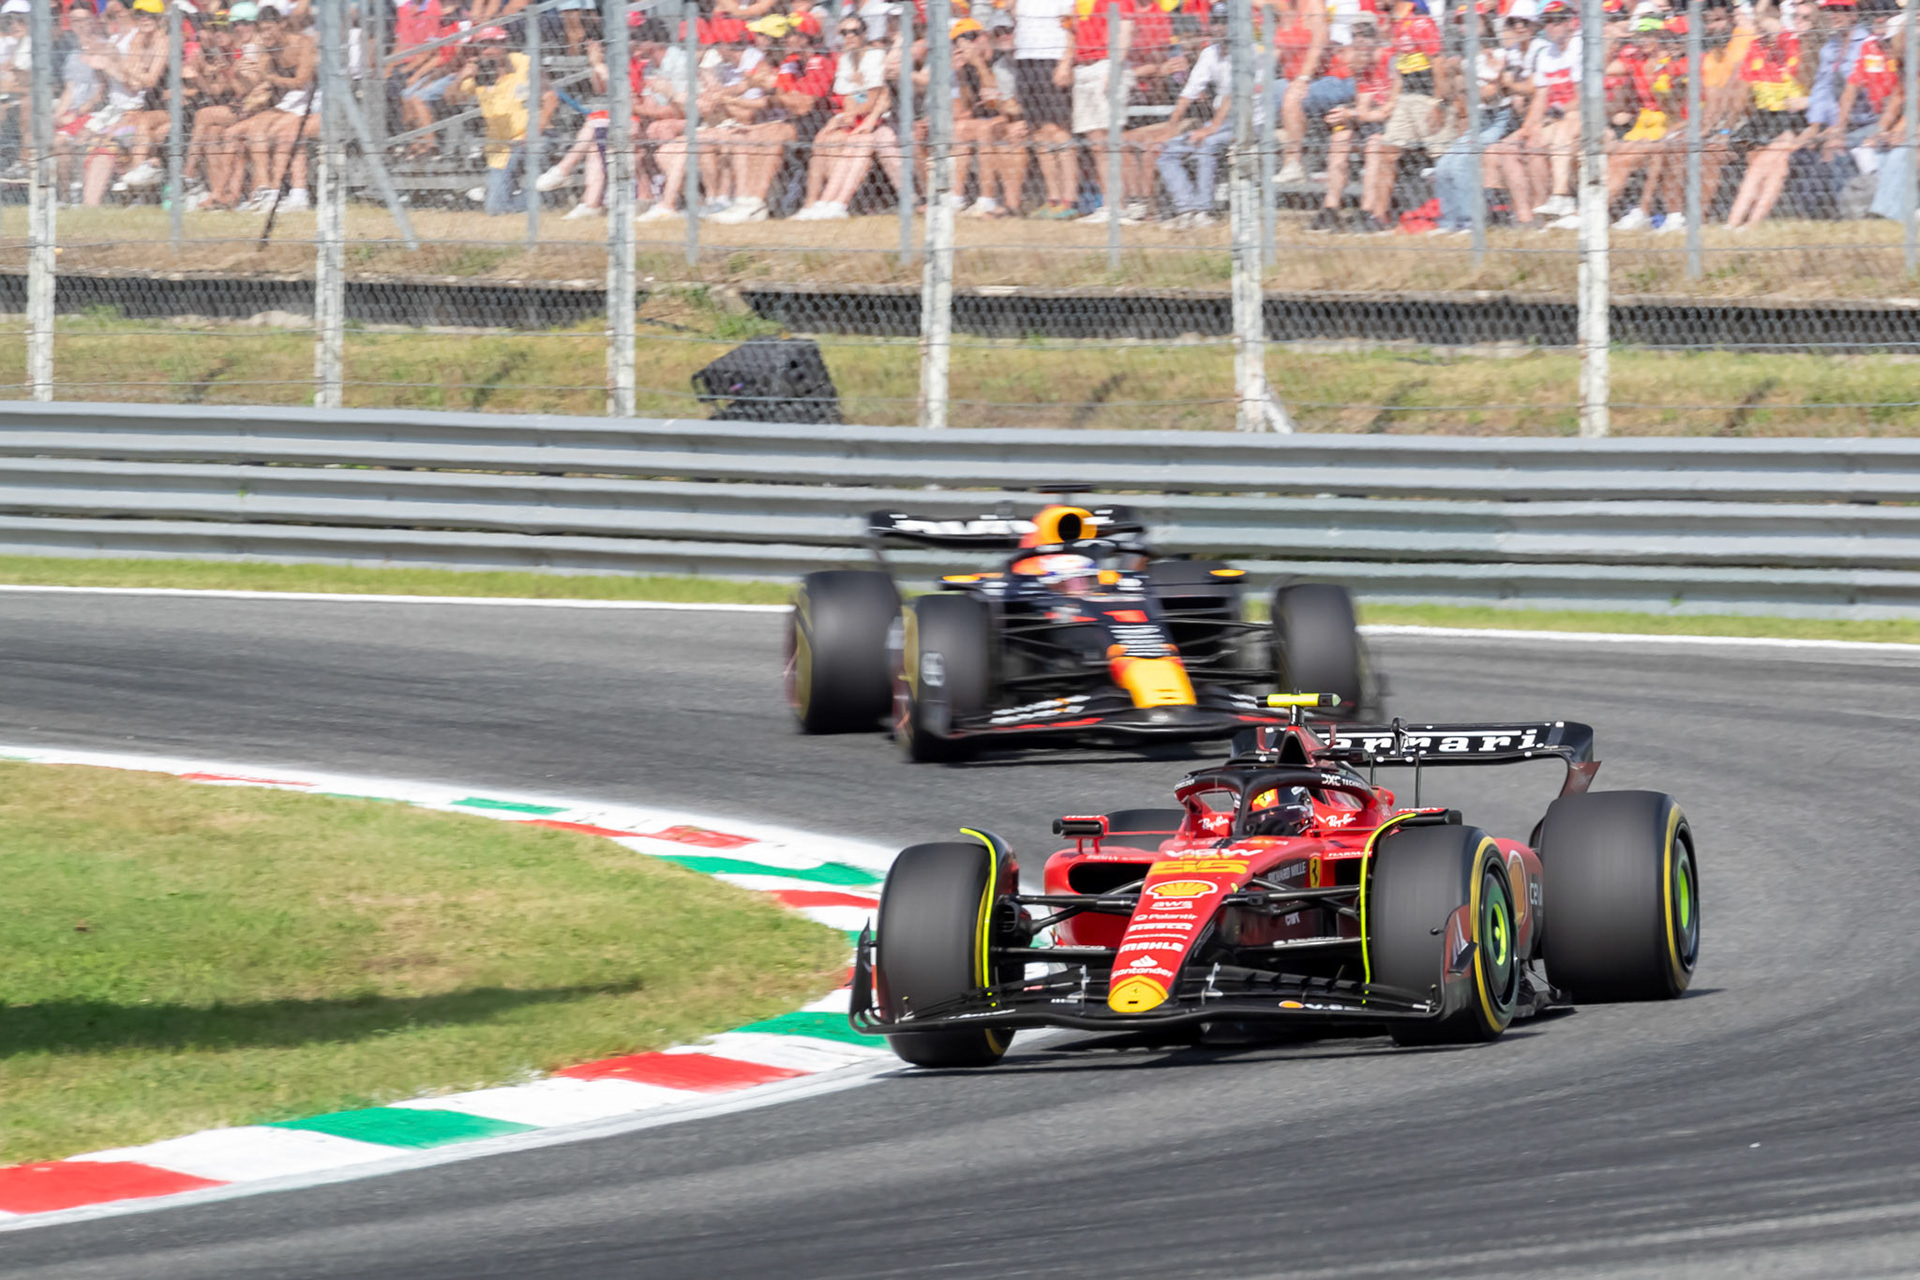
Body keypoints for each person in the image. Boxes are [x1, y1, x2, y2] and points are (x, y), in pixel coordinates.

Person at [1352, 0, 1452, 232]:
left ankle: (1451, 213)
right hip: (1406, 98)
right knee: (1387, 153)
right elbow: (1400, 68)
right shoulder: (1397, 24)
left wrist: (1437, 102)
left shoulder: (1420, 22)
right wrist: (1392, 102)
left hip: (1426, 97)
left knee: (1443, 157)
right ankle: (1378, 217)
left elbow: (1438, 62)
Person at [790, 13, 893, 219]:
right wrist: (856, 97)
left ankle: (835, 202)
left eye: (854, 31)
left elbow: (872, 100)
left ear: (864, 34)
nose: (849, 36)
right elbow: (849, 100)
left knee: (852, 142)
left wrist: (853, 101)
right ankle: (813, 204)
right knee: (823, 140)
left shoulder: (875, 56)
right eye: (844, 32)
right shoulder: (846, 59)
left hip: (875, 121)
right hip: (854, 118)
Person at [447, 24, 554, 215]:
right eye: (482, 46)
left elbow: (550, 97)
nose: (487, 51)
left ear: (504, 44)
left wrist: (535, 131)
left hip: (531, 138)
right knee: (495, 209)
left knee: (532, 151)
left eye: (492, 44)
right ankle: (544, 197)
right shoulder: (478, 73)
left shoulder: (524, 63)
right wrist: (460, 77)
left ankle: (540, 195)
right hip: (499, 149)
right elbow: (451, 99)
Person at [1723, 4, 1808, 229]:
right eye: (1757, 25)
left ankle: (1745, 223)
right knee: (1762, 164)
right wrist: (1727, 127)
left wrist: (1769, 22)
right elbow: (1744, 88)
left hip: (1793, 117)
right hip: (1764, 116)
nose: (1759, 29)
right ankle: (1739, 222)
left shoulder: (1790, 41)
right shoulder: (1755, 45)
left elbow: (1778, 34)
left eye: (1763, 24)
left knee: (1770, 165)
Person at [1309, 16, 1390, 230]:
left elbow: (1388, 111)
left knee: (1374, 146)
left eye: (1366, 34)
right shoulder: (1361, 67)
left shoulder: (1388, 60)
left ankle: (1367, 212)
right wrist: (1346, 115)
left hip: (1393, 123)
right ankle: (1330, 209)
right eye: (1356, 35)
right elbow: (1363, 106)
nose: (1361, 40)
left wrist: (1351, 114)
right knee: (1339, 137)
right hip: (1370, 120)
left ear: (1377, 36)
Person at [1154, 7, 1233, 228]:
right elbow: (1189, 91)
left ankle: (1203, 211)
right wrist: (1170, 128)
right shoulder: (1210, 53)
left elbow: (1234, 95)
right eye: (1216, 21)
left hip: (1249, 122)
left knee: (1206, 143)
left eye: (1225, 21)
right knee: (1167, 151)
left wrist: (1211, 128)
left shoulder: (1248, 52)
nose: (1220, 27)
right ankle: (1187, 209)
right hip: (1222, 122)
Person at [1067, 0, 1136, 223]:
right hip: (1083, 67)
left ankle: (1120, 206)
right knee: (1096, 142)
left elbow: (1125, 28)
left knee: (1110, 140)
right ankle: (1108, 205)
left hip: (1105, 65)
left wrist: (1115, 67)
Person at [1519, 0, 1583, 226]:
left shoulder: (1580, 46)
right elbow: (1541, 96)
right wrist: (1527, 127)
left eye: (1557, 21)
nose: (1552, 26)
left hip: (1581, 114)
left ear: (1570, 22)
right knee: (1525, 143)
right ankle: (1537, 212)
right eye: (1547, 22)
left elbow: (1584, 97)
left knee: (1562, 131)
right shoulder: (1546, 54)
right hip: (1556, 117)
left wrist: (1558, 112)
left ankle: (1561, 197)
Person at [1014, 0, 1077, 217]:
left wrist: (1066, 62)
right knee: (1039, 133)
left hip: (1052, 57)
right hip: (1025, 59)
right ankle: (1053, 199)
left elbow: (1072, 26)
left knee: (1058, 132)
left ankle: (1069, 201)